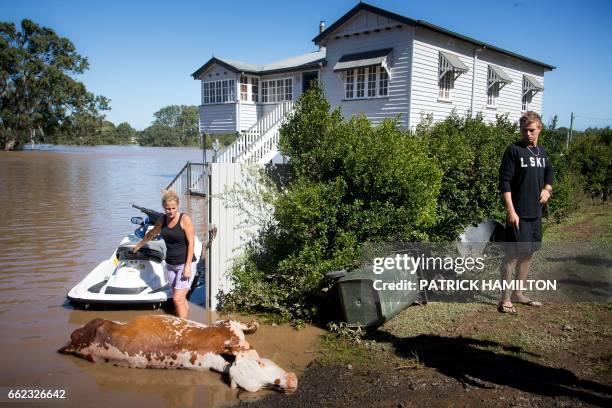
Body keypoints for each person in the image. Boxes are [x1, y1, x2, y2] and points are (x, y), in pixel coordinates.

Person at [497, 111, 554, 314]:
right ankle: (505, 299)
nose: (527, 134)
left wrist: (548, 189)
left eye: (531, 130)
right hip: (518, 214)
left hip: (535, 214)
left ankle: (518, 294)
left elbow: (549, 171)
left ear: (539, 129)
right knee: (511, 255)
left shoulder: (542, 153)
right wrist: (511, 211)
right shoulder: (514, 151)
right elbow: (504, 183)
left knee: (528, 253)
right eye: (524, 130)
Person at [133, 190, 197, 319]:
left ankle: (181, 328)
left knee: (177, 299)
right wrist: (139, 245)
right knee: (180, 299)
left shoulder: (185, 219)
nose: (171, 211)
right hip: (170, 265)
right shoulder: (162, 219)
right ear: (164, 207)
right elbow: (152, 233)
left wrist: (188, 266)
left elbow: (191, 243)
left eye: (174, 208)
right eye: (168, 209)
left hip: (185, 264)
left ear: (178, 206)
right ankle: (189, 324)